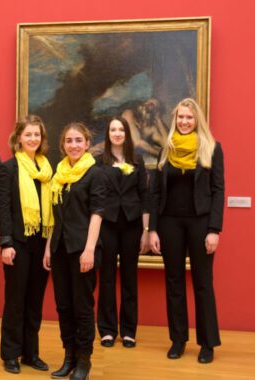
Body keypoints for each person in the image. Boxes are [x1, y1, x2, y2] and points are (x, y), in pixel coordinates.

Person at [149, 98, 224, 364]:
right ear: (174, 119)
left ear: (197, 120)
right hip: (170, 224)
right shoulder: (165, 151)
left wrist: (214, 229)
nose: (184, 122)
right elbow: (155, 194)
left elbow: (218, 191)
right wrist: (153, 230)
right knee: (174, 283)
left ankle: (207, 344)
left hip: (201, 224)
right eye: (180, 117)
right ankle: (178, 340)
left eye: (189, 118)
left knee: (203, 284)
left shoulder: (212, 149)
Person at [43, 122, 105, 380]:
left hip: (83, 250)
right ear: (63, 145)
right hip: (59, 249)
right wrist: (48, 247)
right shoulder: (59, 175)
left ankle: (83, 362)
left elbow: (97, 214)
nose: (74, 145)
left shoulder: (94, 173)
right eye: (69, 141)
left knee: (82, 307)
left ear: (87, 143)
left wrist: (89, 250)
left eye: (79, 140)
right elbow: (54, 216)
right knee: (63, 307)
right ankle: (68, 357)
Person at [0, 115, 53, 374]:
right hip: (17, 244)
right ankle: (10, 354)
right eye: (28, 134)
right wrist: (5, 243)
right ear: (18, 137)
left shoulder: (47, 169)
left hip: (41, 243)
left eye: (37, 135)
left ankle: (31, 353)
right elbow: (5, 210)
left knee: (34, 301)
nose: (33, 139)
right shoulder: (8, 168)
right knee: (15, 301)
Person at [96, 116, 150, 349]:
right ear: (108, 134)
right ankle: (107, 331)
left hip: (132, 225)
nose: (117, 133)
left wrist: (146, 231)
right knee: (106, 279)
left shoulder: (137, 161)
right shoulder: (98, 163)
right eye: (113, 129)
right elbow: (95, 199)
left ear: (127, 133)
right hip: (107, 224)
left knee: (130, 279)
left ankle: (128, 331)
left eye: (121, 129)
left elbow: (145, 197)